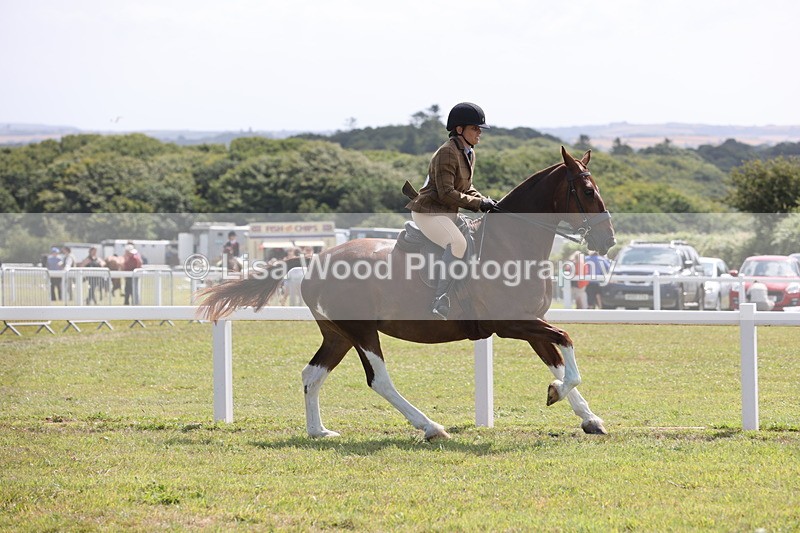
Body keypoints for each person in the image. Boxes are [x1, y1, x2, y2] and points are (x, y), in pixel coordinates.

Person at [404, 102, 498, 320]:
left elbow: (466, 187)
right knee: (458, 243)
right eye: (475, 128)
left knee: (474, 238)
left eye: (479, 129)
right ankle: (440, 299)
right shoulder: (447, 152)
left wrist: (485, 201)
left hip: (447, 213)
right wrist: (478, 205)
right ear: (459, 129)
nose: (479, 133)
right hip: (429, 212)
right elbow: (447, 193)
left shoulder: (468, 153)